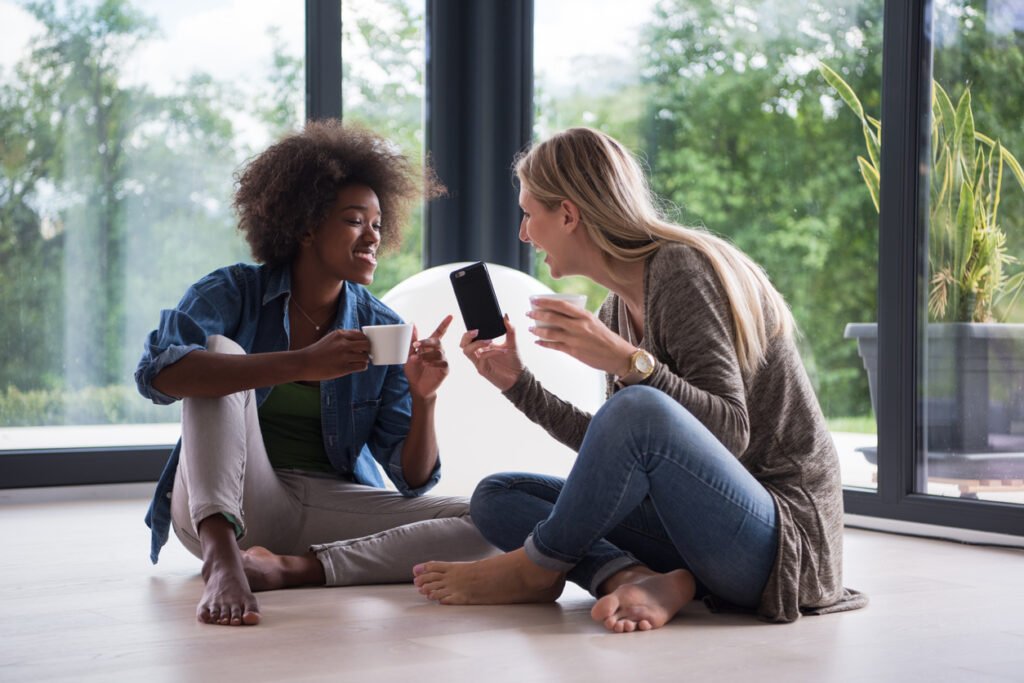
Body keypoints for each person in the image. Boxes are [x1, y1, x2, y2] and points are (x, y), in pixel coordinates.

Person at [412, 127, 867, 631]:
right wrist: (519, 385)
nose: (523, 233)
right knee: (498, 495)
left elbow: (730, 429)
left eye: (528, 213)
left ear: (567, 214)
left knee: (636, 409)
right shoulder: (616, 309)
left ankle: (538, 567)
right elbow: (623, 452)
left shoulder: (682, 271)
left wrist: (630, 363)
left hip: (782, 543)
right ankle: (636, 576)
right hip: (698, 530)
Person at [135, 120, 495, 627]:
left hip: (326, 509)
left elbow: (411, 480)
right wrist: (304, 363)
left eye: (376, 223)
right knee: (218, 356)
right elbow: (160, 374)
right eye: (354, 220)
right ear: (305, 226)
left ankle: (295, 570)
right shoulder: (234, 292)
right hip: (226, 504)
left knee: (491, 518)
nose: (372, 235)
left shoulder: (382, 327)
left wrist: (424, 399)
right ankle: (222, 559)